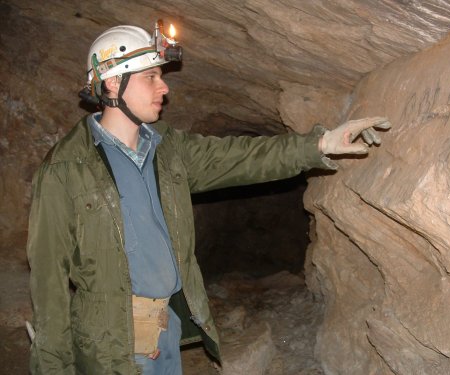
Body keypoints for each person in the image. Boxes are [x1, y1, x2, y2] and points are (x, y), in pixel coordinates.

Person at [27, 21, 391, 375]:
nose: (164, 87)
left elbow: (241, 157)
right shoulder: (65, 169)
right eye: (150, 77)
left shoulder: (169, 150)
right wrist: (52, 365)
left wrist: (321, 144)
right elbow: (48, 282)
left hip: (166, 329)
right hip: (110, 346)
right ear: (111, 83)